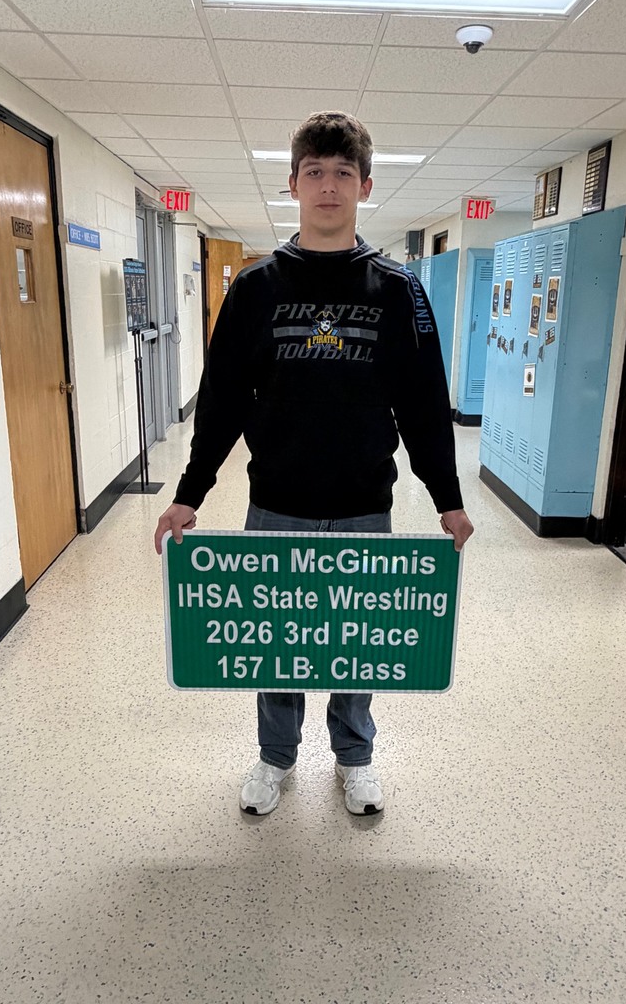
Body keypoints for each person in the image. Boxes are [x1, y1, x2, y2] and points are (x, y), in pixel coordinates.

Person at [153, 111, 474, 817]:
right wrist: (189, 493)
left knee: (356, 643)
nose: (328, 187)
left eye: (342, 174)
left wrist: (448, 498)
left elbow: (424, 404)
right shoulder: (256, 288)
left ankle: (355, 759)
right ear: (293, 183)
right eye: (315, 173)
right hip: (277, 500)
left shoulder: (397, 291)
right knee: (279, 643)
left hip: (364, 499)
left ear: (364, 185)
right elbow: (222, 402)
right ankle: (275, 757)